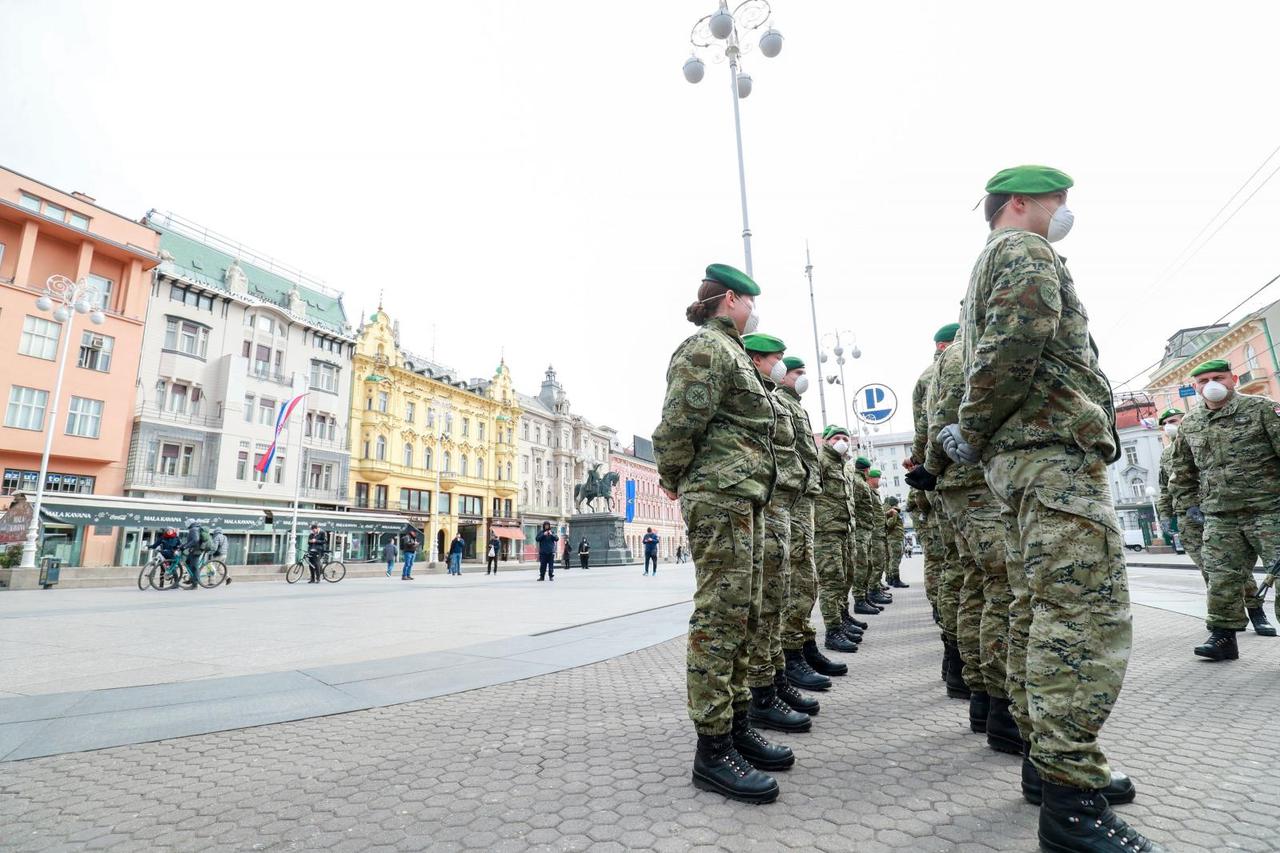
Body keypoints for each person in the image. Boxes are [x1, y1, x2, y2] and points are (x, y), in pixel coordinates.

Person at [953, 165, 1158, 851]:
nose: (1063, 214)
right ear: (1018, 204)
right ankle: (1073, 805)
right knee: (1082, 617)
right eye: (1056, 202)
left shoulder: (987, 265)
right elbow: (1010, 349)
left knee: (1042, 610)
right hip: (1048, 455)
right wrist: (976, 426)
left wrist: (981, 436)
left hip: (1025, 457)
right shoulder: (1023, 251)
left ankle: (1053, 768)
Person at [652, 262, 785, 805]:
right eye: (750, 301)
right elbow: (678, 424)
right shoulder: (704, 348)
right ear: (731, 299)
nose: (755, 310)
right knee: (721, 614)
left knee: (744, 609)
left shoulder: (730, 351)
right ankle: (711, 748)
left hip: (743, 493)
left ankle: (733, 724)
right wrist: (675, 478)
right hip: (720, 493)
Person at [920, 327, 1019, 753]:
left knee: (976, 582)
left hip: (959, 482)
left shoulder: (939, 364)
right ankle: (1000, 703)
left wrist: (930, 470)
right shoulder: (972, 347)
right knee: (1000, 584)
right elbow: (945, 419)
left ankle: (981, 693)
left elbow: (927, 428)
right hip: (978, 478)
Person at [1169, 360, 1280, 660]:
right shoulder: (1190, 423)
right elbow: (1182, 470)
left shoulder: (1262, 409)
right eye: (1203, 380)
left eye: (1218, 377)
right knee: (1221, 580)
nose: (1211, 384)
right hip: (1220, 517)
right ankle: (1223, 638)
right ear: (1195, 387)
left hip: (1270, 511)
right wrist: (1190, 505)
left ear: (1232, 379)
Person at [739, 334, 814, 734]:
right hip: (764, 501)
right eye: (778, 359)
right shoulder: (748, 389)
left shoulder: (772, 397)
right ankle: (760, 693)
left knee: (780, 593)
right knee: (763, 600)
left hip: (783, 501)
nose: (784, 368)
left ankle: (775, 679)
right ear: (757, 358)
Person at [1158, 405, 1274, 638]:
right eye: (1168, 422)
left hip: (1217, 512)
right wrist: (1165, 516)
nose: (1173, 424)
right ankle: (1223, 621)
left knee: (1236, 567)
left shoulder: (1205, 438)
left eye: (1177, 419)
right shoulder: (1166, 455)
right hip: (1187, 517)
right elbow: (1165, 488)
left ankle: (1256, 611)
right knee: (1211, 569)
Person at [774, 356, 844, 690]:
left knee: (808, 581)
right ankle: (791, 656)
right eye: (797, 373)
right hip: (791, 502)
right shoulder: (777, 402)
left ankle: (804, 645)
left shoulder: (795, 406)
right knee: (796, 582)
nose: (802, 378)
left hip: (805, 503)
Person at [814, 427, 860, 655]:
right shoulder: (820, 461)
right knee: (831, 581)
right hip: (826, 532)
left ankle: (842, 619)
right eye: (836, 438)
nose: (841, 442)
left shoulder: (842, 464)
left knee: (846, 577)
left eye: (844, 438)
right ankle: (833, 632)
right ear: (826, 441)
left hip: (844, 530)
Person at [180, 519, 209, 590]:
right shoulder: (195, 528)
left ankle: (195, 584)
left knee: (194, 567)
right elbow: (191, 541)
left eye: (186, 523)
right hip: (194, 550)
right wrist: (183, 545)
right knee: (188, 562)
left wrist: (185, 546)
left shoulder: (193, 529)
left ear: (190, 523)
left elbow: (195, 540)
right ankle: (192, 578)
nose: (186, 524)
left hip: (196, 550)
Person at [884, 497, 906, 588]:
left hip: (895, 538)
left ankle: (891, 579)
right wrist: (894, 515)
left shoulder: (889, 511)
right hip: (894, 538)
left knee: (892, 559)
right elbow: (889, 524)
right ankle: (896, 580)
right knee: (895, 560)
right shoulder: (892, 512)